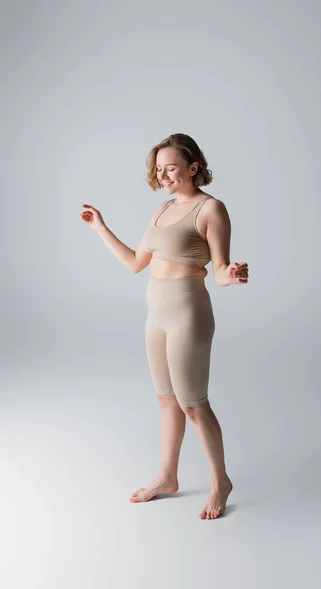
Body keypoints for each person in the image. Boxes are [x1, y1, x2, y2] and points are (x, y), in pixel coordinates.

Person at [80, 133, 249, 519]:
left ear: (192, 167)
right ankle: (167, 476)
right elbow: (136, 263)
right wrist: (100, 228)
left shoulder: (211, 209)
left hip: (188, 311)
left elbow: (219, 270)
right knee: (166, 400)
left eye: (170, 167)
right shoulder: (160, 209)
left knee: (194, 404)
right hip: (155, 311)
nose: (163, 174)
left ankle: (220, 481)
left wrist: (233, 274)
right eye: (158, 168)